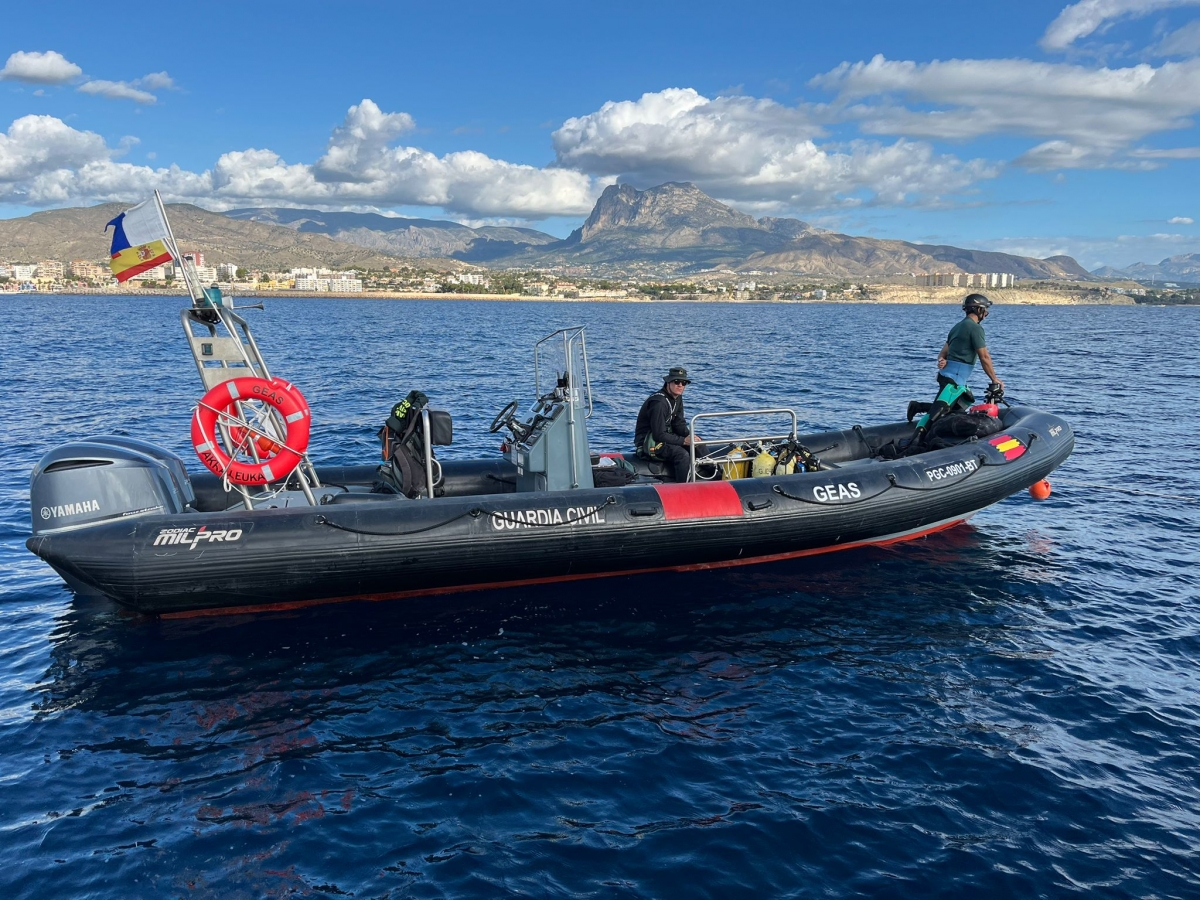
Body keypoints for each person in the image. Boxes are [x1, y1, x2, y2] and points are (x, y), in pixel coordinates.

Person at [910, 293, 1004, 437]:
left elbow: (942, 353)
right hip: (953, 380)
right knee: (937, 413)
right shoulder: (975, 328)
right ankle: (914, 442)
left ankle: (918, 406)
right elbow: (984, 356)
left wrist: (942, 360)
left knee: (956, 410)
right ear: (978, 310)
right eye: (985, 309)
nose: (987, 314)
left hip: (951, 377)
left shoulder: (958, 326)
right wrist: (994, 379)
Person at [635, 366, 695, 482]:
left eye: (684, 383)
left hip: (664, 437)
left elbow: (679, 424)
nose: (680, 385)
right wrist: (682, 441)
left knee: (698, 444)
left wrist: (690, 437)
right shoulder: (659, 403)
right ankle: (684, 488)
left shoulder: (677, 398)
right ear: (668, 382)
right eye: (676, 382)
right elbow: (659, 434)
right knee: (681, 454)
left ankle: (717, 475)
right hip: (649, 443)